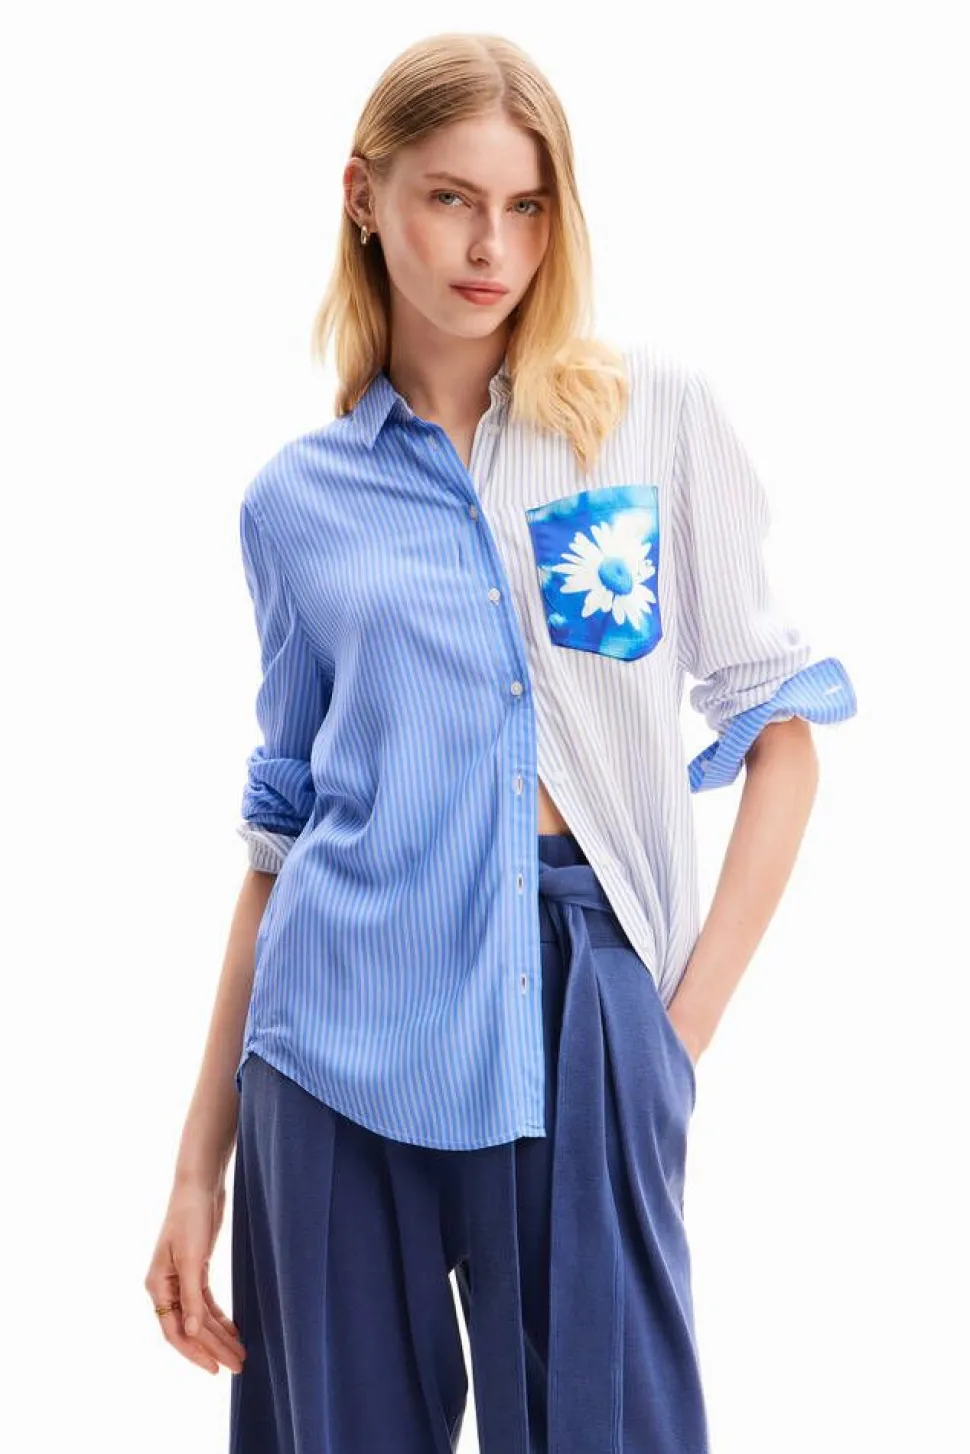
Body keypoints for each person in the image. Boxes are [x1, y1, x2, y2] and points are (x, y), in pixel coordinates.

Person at [144, 30, 857, 1454]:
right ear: (364, 197)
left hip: (581, 996)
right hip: (333, 1030)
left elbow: (778, 725)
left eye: (526, 205)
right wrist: (192, 1175)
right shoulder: (297, 500)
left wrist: (672, 1038)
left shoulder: (646, 418)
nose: (492, 245)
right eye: (450, 199)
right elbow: (279, 843)